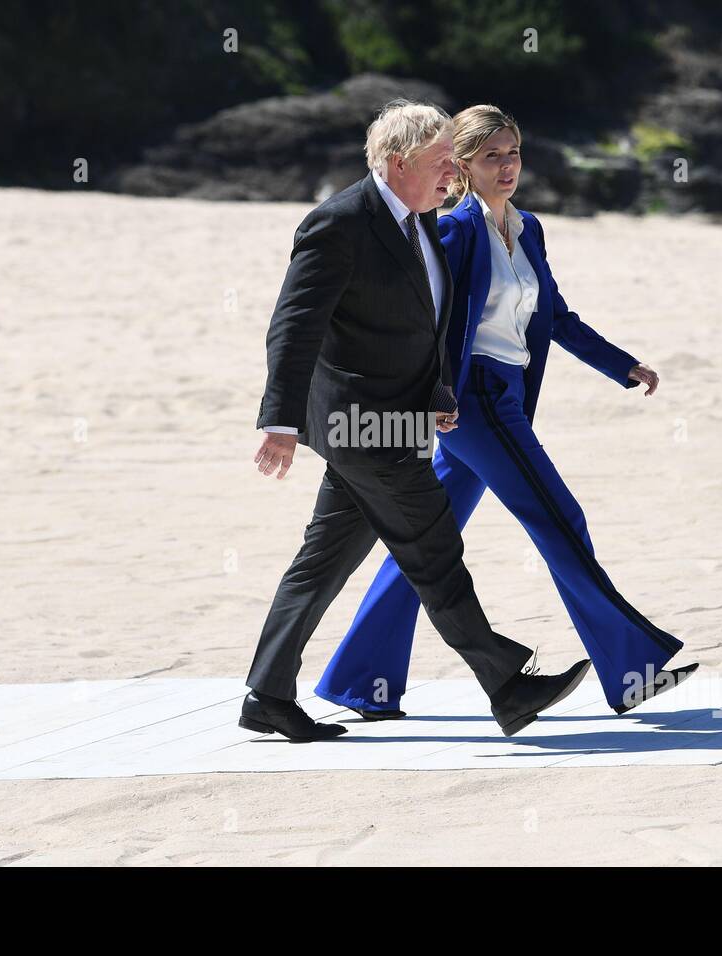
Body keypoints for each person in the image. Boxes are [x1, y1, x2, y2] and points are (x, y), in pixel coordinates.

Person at [315, 105, 697, 721]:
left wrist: (621, 364)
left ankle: (360, 680)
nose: (508, 165)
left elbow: (557, 317)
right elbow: (430, 319)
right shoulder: (455, 229)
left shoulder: (529, 230)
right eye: (492, 155)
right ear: (460, 166)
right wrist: (426, 392)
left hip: (509, 394)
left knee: (425, 543)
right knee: (560, 519)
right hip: (475, 402)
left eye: (514, 152)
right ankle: (633, 671)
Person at [243, 100, 591, 742]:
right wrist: (280, 422)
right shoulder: (340, 223)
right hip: (360, 425)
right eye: (441, 164)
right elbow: (294, 327)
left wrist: (436, 390)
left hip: (400, 419)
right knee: (434, 551)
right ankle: (508, 685)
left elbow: (427, 321)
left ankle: (266, 694)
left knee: (323, 562)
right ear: (398, 162)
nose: (452, 178)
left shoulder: (422, 220)